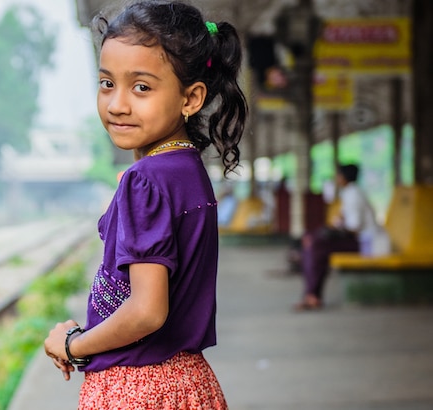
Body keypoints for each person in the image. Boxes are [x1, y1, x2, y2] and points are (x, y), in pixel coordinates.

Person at [42, 1, 247, 408]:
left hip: (138, 389)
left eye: (141, 87)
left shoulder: (145, 179)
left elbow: (147, 312)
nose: (117, 104)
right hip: (189, 381)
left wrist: (74, 344)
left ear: (191, 99)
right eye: (106, 84)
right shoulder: (187, 170)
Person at [294, 164, 380, 311]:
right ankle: (311, 294)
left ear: (344, 177)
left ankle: (312, 295)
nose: (336, 179)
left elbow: (354, 227)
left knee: (316, 246)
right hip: (356, 239)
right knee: (312, 243)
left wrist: (333, 231)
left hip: (364, 242)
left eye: (338, 176)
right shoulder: (349, 193)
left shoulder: (354, 195)